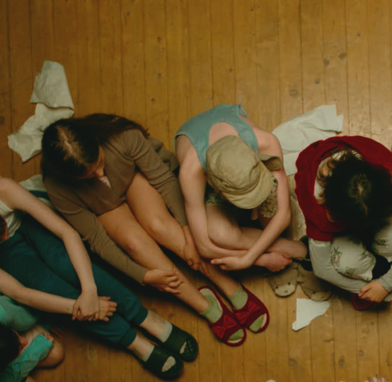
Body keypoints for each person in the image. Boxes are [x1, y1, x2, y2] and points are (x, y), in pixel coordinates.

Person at [0, 175, 193, 380]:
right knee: (46, 285)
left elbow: (67, 233)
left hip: (27, 222)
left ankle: (145, 318)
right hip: (6, 254)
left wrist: (89, 291)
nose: (3, 234)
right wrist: (80, 306)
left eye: (0, 226)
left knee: (66, 264)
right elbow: (18, 292)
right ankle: (133, 342)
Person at [41, 114, 268, 347]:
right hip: (105, 207)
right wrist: (142, 275)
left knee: (160, 226)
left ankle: (225, 282)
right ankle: (203, 304)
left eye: (99, 162)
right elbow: (97, 240)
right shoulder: (57, 187)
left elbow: (164, 181)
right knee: (134, 245)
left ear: (96, 141)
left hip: (132, 178)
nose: (99, 174)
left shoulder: (123, 137)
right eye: (88, 175)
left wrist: (189, 232)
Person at [294, 132, 392, 314]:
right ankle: (371, 278)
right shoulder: (316, 208)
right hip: (342, 225)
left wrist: (387, 283)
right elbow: (322, 269)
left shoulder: (390, 171)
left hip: (362, 212)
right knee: (348, 262)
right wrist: (364, 289)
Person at [173, 104, 308, 271]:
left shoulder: (266, 142)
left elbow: (283, 215)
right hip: (210, 176)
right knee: (220, 235)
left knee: (272, 215)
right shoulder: (191, 173)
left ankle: (290, 246)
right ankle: (293, 247)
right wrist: (261, 259)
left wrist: (247, 259)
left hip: (242, 169)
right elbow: (204, 247)